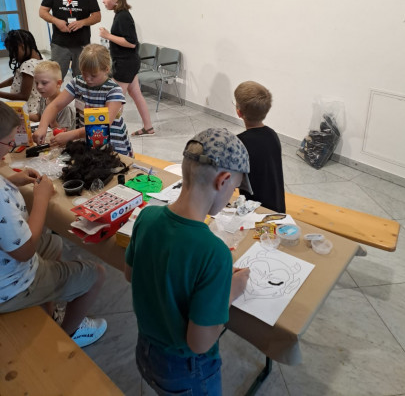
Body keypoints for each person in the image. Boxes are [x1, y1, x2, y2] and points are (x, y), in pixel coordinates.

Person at [125, 128, 251, 395]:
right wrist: (231, 290)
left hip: (145, 352)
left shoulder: (147, 217)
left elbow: (130, 273)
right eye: (234, 188)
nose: (232, 195)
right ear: (223, 181)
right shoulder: (214, 253)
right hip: (186, 371)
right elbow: (199, 343)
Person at [0, 102, 107, 347]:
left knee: (53, 243)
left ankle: (48, 308)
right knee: (96, 275)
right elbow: (25, 251)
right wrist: (40, 199)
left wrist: (12, 180)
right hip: (10, 287)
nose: (11, 148)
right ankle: (69, 334)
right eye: (8, 143)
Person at [33, 44, 133, 157]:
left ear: (106, 69)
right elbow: (55, 106)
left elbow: (101, 126)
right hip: (87, 142)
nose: (88, 79)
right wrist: (42, 127)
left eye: (93, 75)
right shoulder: (78, 83)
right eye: (84, 73)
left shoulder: (114, 91)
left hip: (113, 146)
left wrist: (72, 135)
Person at [99, 0, 154, 136]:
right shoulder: (120, 14)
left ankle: (108, 132)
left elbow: (131, 42)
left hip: (125, 63)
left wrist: (108, 35)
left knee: (115, 98)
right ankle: (148, 127)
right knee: (136, 94)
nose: (103, 1)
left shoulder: (123, 16)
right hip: (128, 62)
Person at [39, 0, 101, 79]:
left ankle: (79, 92)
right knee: (55, 78)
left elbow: (97, 16)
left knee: (82, 78)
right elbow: (42, 11)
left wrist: (82, 22)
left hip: (81, 44)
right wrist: (56, 21)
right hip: (60, 44)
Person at [234, 81, 286, 213]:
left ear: (239, 112)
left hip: (255, 211)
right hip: (277, 207)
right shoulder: (272, 134)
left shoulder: (239, 143)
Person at [0, 29, 42, 113]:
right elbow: (16, 79)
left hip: (25, 111)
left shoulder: (27, 65)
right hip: (35, 107)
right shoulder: (40, 58)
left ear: (22, 46)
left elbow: (23, 96)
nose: (13, 56)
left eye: (14, 51)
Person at [29, 60, 75, 130]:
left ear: (58, 83)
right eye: (36, 83)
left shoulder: (65, 106)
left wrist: (52, 120)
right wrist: (23, 115)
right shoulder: (44, 97)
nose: (39, 87)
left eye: (44, 83)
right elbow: (39, 117)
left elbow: (63, 133)